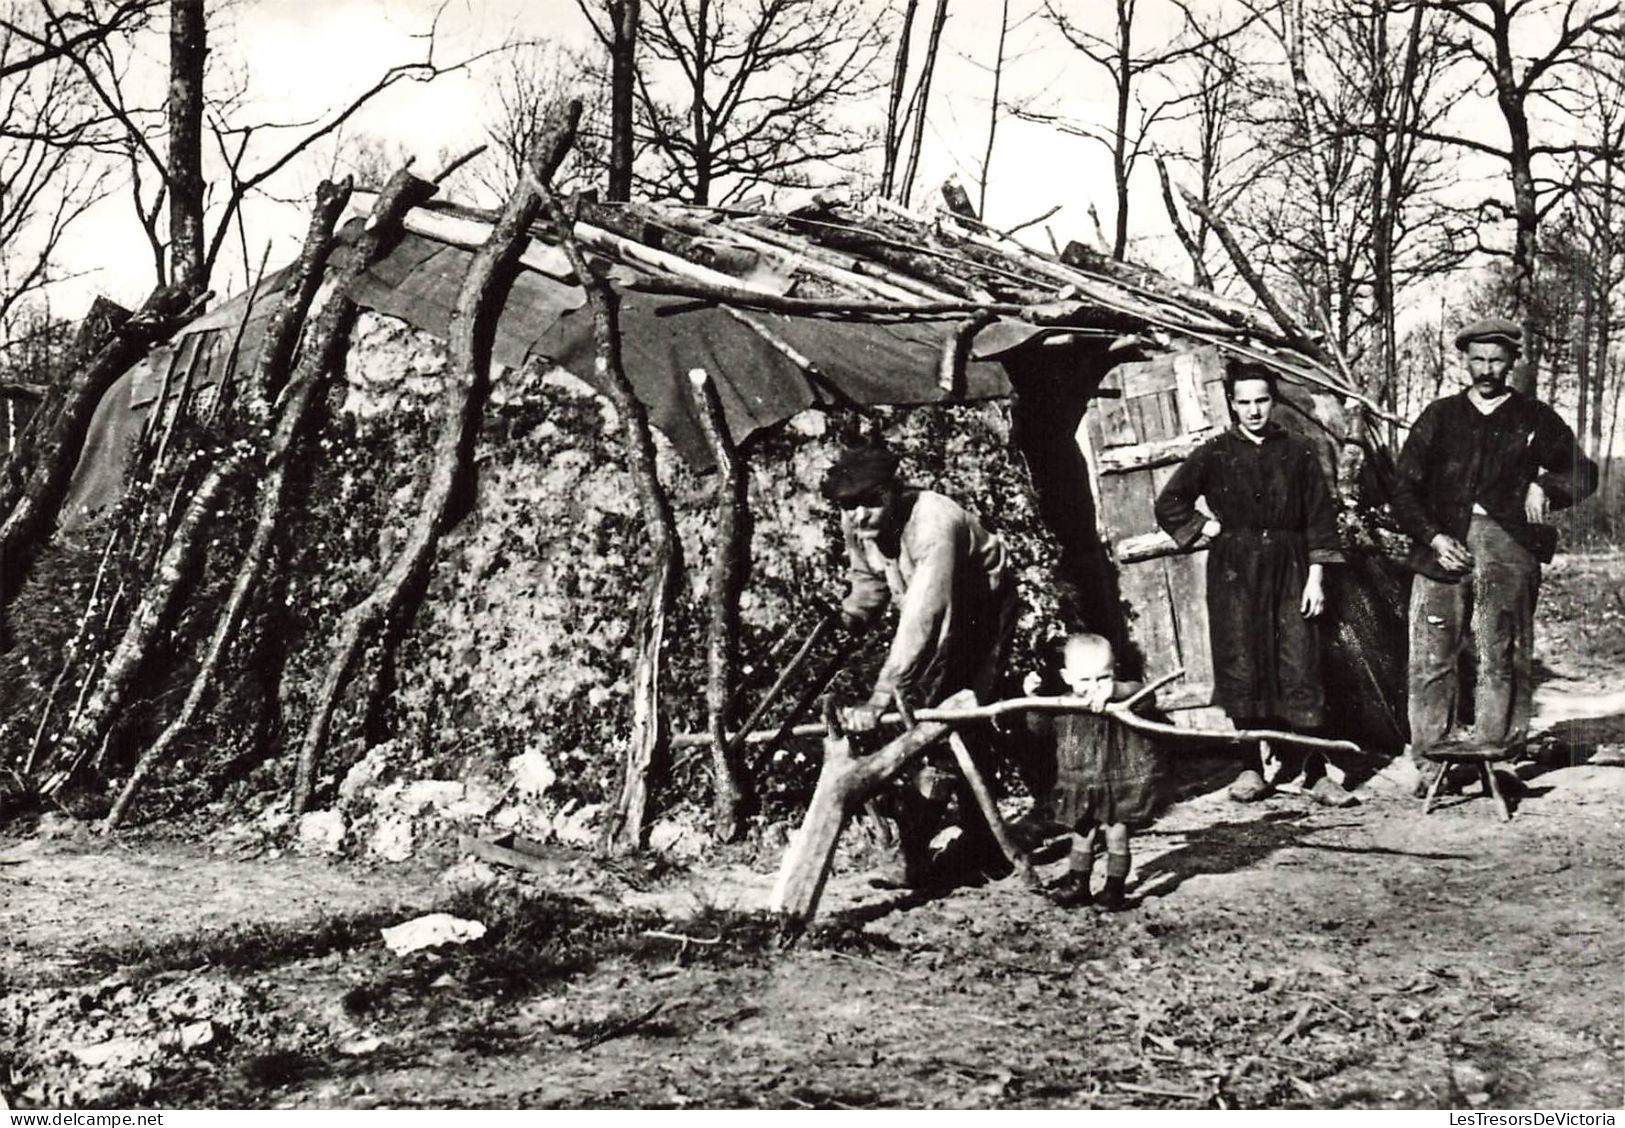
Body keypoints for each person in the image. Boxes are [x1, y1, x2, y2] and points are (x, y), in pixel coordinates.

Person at [1390, 317, 1598, 778]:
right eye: (1478, 360)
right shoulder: (1439, 416)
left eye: (1496, 360)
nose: (1486, 369)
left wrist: (1547, 486)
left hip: (1509, 545)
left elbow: (1584, 472)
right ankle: (1431, 759)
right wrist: (1433, 536)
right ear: (1464, 361)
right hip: (1442, 547)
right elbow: (1402, 487)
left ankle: (1500, 753)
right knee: (1432, 652)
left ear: (1511, 363)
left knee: (1500, 650)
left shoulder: (1534, 417)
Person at [1153, 362, 1354, 807]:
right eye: (1243, 402)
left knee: (1300, 660)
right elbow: (1169, 502)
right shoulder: (1215, 451)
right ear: (1232, 403)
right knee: (1241, 661)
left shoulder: (1299, 450)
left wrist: (1317, 577)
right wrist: (1203, 527)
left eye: (1261, 400)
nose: (1253, 410)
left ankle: (1315, 770)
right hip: (1235, 572)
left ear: (1273, 400)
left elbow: (1320, 518)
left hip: (1292, 566)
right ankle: (1250, 767)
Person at [820, 441, 1019, 887]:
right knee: (935, 718)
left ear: (895, 491)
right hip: (933, 607)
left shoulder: (933, 523)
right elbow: (869, 581)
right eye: (850, 506)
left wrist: (879, 696)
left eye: (873, 501)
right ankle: (965, 842)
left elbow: (923, 619)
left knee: (953, 715)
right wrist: (850, 616)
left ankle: (946, 849)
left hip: (982, 608)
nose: (860, 515)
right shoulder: (857, 520)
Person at [1025, 633, 1167, 911]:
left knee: (1117, 833)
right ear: (1067, 677)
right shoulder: (1063, 703)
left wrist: (1115, 691)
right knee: (1083, 833)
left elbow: (1146, 697)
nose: (1094, 687)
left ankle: (1114, 888)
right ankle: (1079, 884)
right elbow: (1037, 728)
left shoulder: (1119, 698)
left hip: (1118, 780)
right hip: (1079, 782)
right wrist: (1033, 698)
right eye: (1085, 680)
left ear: (1113, 672)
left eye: (1102, 678)